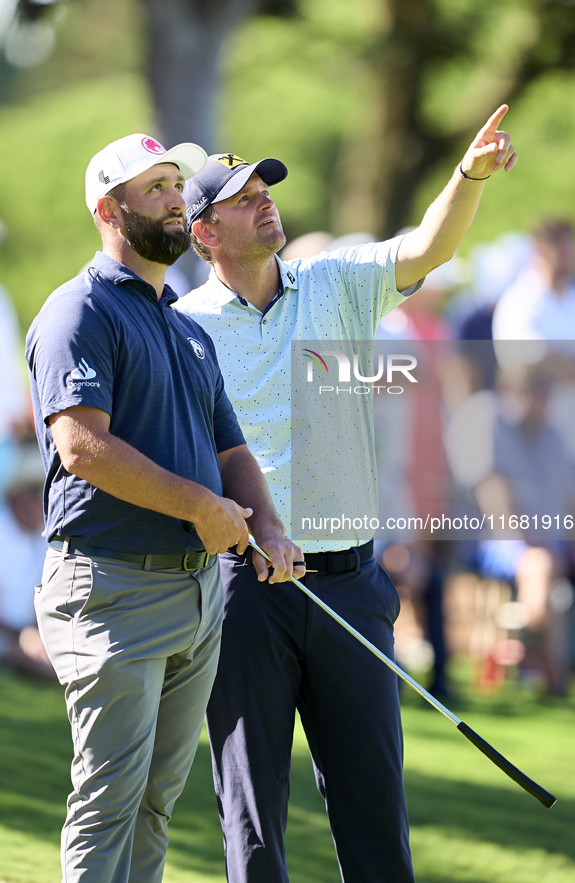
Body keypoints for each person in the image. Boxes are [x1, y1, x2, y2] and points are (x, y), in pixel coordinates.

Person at [176, 106, 517, 883]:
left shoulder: (335, 283)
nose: (265, 198)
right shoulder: (181, 326)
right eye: (241, 196)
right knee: (251, 810)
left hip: (350, 582)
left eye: (265, 187)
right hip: (242, 591)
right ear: (204, 234)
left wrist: (468, 176)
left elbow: (429, 245)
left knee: (371, 802)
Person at [25, 133, 300, 883]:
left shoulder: (183, 326)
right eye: (155, 188)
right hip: (109, 587)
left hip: (194, 591)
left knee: (154, 801)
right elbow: (81, 446)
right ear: (109, 210)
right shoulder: (77, 310)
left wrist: (263, 523)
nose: (177, 198)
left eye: (177, 184)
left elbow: (231, 450)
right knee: (111, 799)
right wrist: (201, 508)